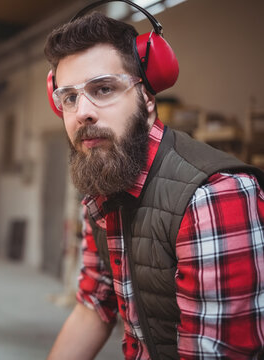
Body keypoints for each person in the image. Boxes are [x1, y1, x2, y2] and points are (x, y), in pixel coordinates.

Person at [43, 8, 264, 360]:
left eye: (103, 89)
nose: (82, 111)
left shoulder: (212, 196)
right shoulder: (103, 186)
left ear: (147, 99)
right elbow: (92, 309)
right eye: (69, 97)